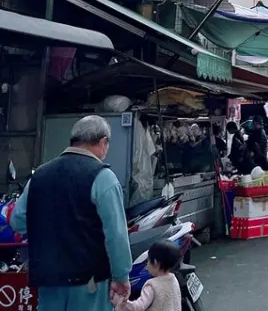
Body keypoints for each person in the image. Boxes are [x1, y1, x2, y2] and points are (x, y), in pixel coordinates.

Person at [11, 115, 132, 311]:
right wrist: (121, 276)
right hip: (89, 281)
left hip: (48, 278)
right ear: (103, 142)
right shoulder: (103, 176)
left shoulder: (39, 175)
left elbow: (17, 221)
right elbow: (116, 235)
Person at [112, 241, 181, 311]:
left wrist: (119, 302)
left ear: (155, 262)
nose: (146, 264)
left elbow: (138, 307)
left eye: (148, 260)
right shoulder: (174, 280)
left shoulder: (152, 286)